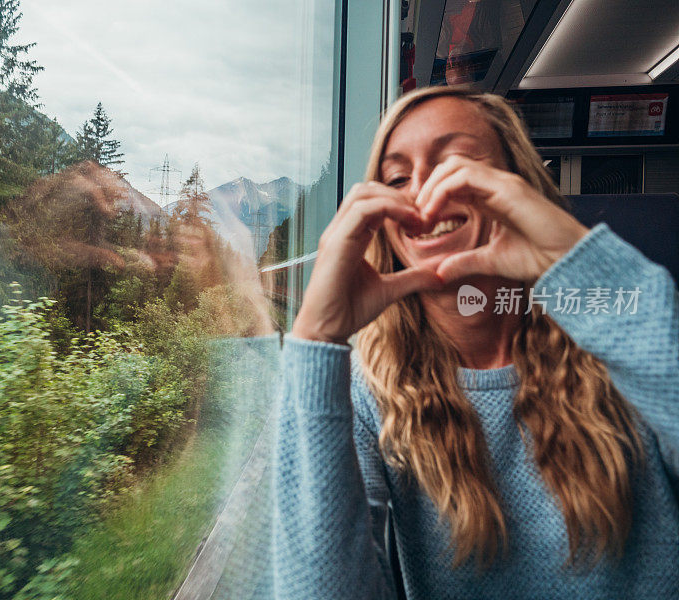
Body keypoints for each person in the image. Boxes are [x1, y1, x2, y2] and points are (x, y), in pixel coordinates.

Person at [272, 86, 679, 599]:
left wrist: (577, 261)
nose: (422, 192)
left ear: (519, 188)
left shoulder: (618, 338)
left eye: (457, 167)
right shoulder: (367, 390)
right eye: (397, 179)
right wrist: (314, 338)